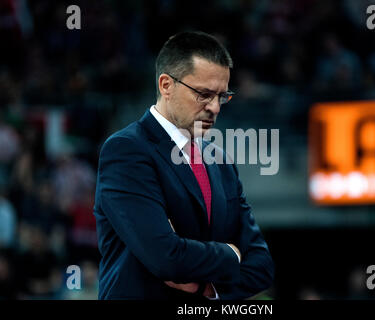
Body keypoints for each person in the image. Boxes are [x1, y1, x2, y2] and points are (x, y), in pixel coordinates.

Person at [93, 31, 274, 300]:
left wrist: (204, 287)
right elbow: (165, 257)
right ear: (166, 85)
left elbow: (261, 266)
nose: (215, 107)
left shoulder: (222, 162)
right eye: (204, 94)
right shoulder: (125, 150)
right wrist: (231, 253)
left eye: (223, 96)